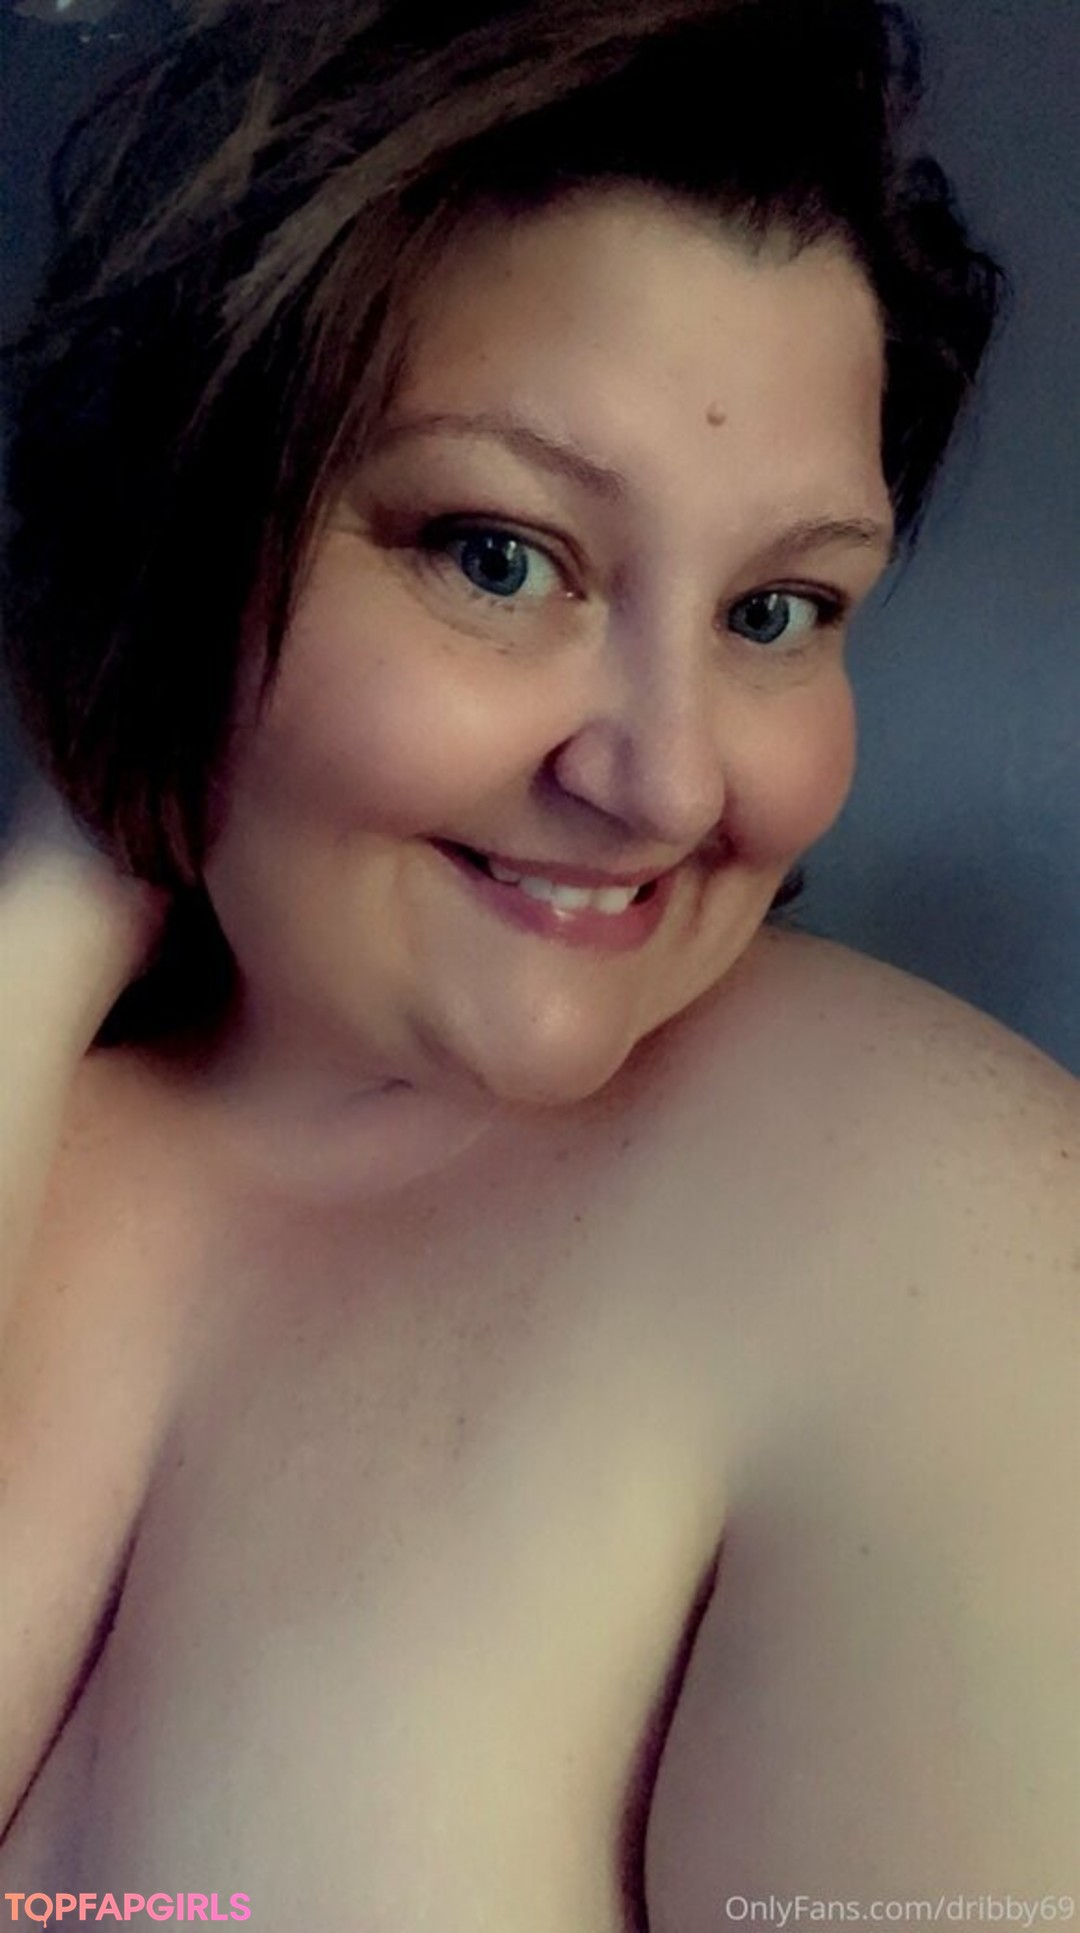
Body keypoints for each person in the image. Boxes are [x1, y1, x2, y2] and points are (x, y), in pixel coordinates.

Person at [0, 0, 1076, 1925]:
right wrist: (57, 887)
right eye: (501, 556)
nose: (665, 779)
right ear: (181, 532)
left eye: (777, 609)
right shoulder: (54, 1124)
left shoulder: (946, 1225)